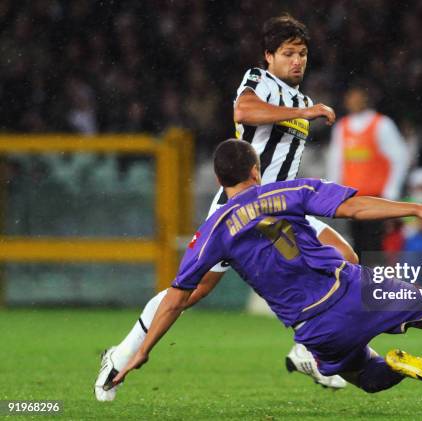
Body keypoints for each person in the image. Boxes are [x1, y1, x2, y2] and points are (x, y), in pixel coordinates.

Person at [107, 139, 422, 395]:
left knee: (367, 378)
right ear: (257, 171)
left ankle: (402, 365)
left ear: (218, 179)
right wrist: (418, 207)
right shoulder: (290, 191)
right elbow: (356, 207)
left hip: (315, 328)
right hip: (354, 288)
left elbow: (176, 298)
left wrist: (144, 349)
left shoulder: (213, 232)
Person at [95, 15, 354, 401]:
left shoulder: (301, 100)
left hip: (282, 211)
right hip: (240, 213)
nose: (297, 61)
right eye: (288, 54)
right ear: (269, 56)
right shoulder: (258, 81)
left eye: (302, 54)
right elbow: (243, 112)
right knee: (190, 291)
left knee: (342, 259)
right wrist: (302, 114)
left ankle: (310, 351)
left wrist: (303, 110)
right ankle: (120, 355)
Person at [326, 86, 409, 256]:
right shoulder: (342, 127)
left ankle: (377, 282)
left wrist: (391, 192)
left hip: (376, 198)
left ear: (366, 99)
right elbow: (336, 162)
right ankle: (365, 282)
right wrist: (333, 193)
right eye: (350, 97)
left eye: (357, 96)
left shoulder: (381, 124)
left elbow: (400, 158)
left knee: (376, 247)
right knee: (358, 245)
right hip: (353, 200)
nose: (353, 101)